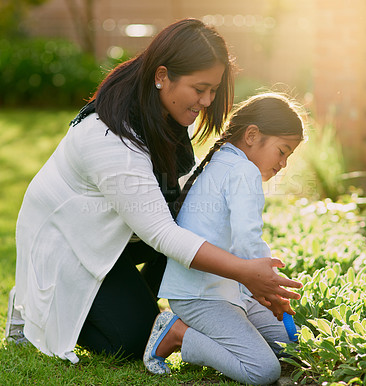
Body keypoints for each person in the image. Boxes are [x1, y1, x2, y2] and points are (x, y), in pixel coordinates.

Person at [5, 18, 301, 365]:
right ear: (162, 77)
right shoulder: (111, 138)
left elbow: (181, 213)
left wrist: (247, 276)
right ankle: (40, 301)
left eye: (213, 90)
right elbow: (162, 233)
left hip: (117, 235)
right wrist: (246, 274)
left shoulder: (164, 114)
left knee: (194, 229)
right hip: (69, 243)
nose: (207, 100)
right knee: (132, 340)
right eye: (199, 88)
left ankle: (137, 297)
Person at [144, 93, 305, 385]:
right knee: (263, 371)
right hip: (200, 297)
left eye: (288, 156)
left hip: (228, 290)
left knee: (288, 345)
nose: (283, 164)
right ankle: (177, 334)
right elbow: (247, 241)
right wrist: (270, 290)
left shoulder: (225, 161)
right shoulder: (243, 171)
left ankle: (219, 332)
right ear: (252, 135)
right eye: (282, 151)